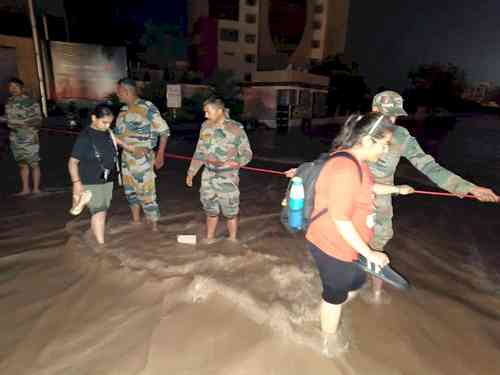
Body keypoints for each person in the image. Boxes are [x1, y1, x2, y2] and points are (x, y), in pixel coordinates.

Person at [368, 91, 499, 303]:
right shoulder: (357, 129)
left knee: (377, 247)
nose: (391, 121)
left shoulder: (401, 136)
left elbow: (429, 167)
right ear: (374, 110)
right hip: (350, 192)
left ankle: (375, 297)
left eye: (395, 116)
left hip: (380, 201)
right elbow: (334, 160)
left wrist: (470, 188)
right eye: (387, 115)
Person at [305, 113, 414, 357]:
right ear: (366, 140)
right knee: (335, 295)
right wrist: (370, 253)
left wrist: (397, 189)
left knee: (356, 283)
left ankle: (325, 310)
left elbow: (366, 187)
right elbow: (340, 218)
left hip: (351, 245)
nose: (386, 150)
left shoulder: (358, 163)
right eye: (383, 144)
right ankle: (326, 344)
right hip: (332, 244)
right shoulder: (345, 167)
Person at [68, 104, 139, 245]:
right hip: (91, 179)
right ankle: (101, 246)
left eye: (110, 123)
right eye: (104, 122)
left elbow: (114, 138)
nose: (107, 126)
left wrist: (129, 147)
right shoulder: (85, 137)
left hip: (107, 178)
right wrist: (76, 183)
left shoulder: (107, 131)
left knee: (101, 211)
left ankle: (90, 231)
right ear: (94, 118)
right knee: (99, 212)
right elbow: (72, 162)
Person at [186, 98, 253, 244]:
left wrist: (238, 162)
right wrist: (191, 172)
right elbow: (199, 151)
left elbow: (247, 153)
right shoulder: (205, 126)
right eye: (205, 112)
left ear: (219, 111)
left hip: (227, 176)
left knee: (230, 211)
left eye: (207, 112)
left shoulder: (235, 128)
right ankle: (210, 239)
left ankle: (232, 240)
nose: (205, 115)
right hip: (208, 174)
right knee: (210, 209)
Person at [114, 78, 170, 232]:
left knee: (147, 193)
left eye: (118, 91)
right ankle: (136, 222)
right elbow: (117, 136)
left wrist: (160, 155)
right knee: (130, 192)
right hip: (126, 158)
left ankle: (154, 227)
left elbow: (164, 132)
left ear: (126, 91)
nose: (116, 94)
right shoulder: (123, 111)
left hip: (143, 159)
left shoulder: (147, 107)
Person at [5, 78, 43, 195]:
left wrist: (20, 123)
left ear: (22, 88)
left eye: (15, 86)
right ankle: (25, 189)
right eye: (10, 87)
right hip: (15, 136)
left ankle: (36, 189)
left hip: (29, 137)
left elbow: (38, 119)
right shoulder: (9, 101)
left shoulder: (30, 101)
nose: (13, 89)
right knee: (22, 163)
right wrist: (4, 119)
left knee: (34, 163)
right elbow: (10, 118)